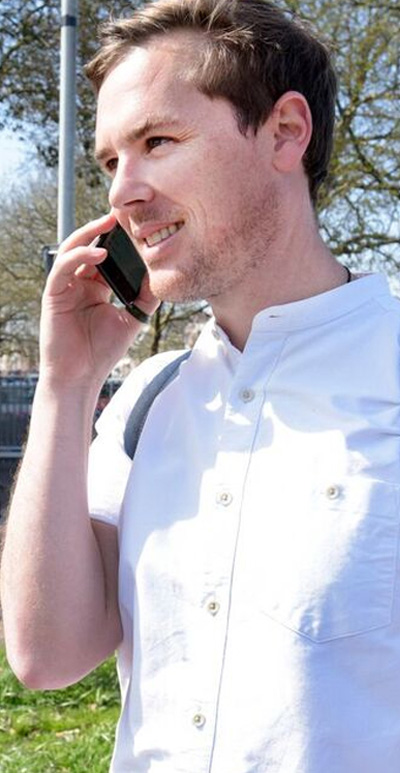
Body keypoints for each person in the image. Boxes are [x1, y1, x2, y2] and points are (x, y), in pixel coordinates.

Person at [1, 0, 400, 770]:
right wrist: (67, 383)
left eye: (157, 141)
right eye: (110, 162)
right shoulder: (147, 400)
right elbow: (48, 655)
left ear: (285, 131)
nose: (122, 192)